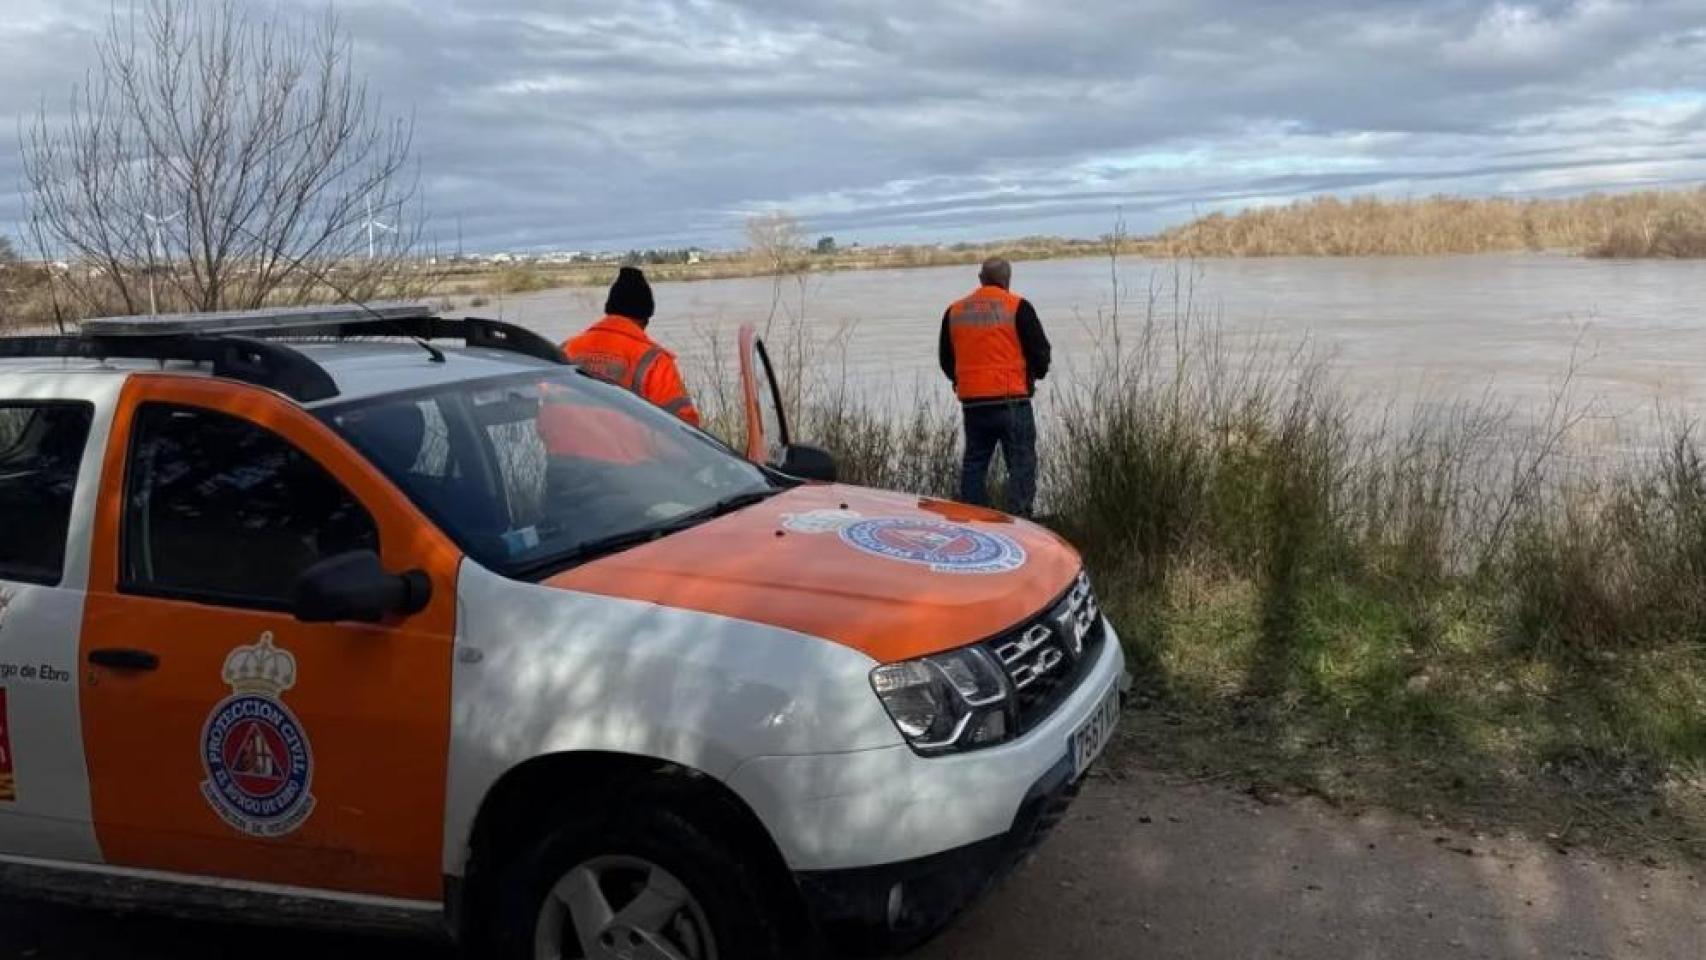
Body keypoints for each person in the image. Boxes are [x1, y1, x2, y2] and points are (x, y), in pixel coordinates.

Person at [938, 257, 1051, 517]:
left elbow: (946, 358)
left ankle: (975, 519)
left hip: (974, 404)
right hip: (1013, 400)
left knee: (975, 464)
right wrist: (1035, 376)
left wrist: (961, 381)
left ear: (980, 279)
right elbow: (1040, 351)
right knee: (1021, 463)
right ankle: (1020, 520)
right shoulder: (1018, 306)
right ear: (1007, 280)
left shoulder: (954, 311)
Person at [561, 266, 700, 426]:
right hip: (630, 451)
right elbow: (685, 427)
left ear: (609, 311)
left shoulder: (565, 350)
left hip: (560, 450)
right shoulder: (654, 361)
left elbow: (544, 409)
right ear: (645, 318)